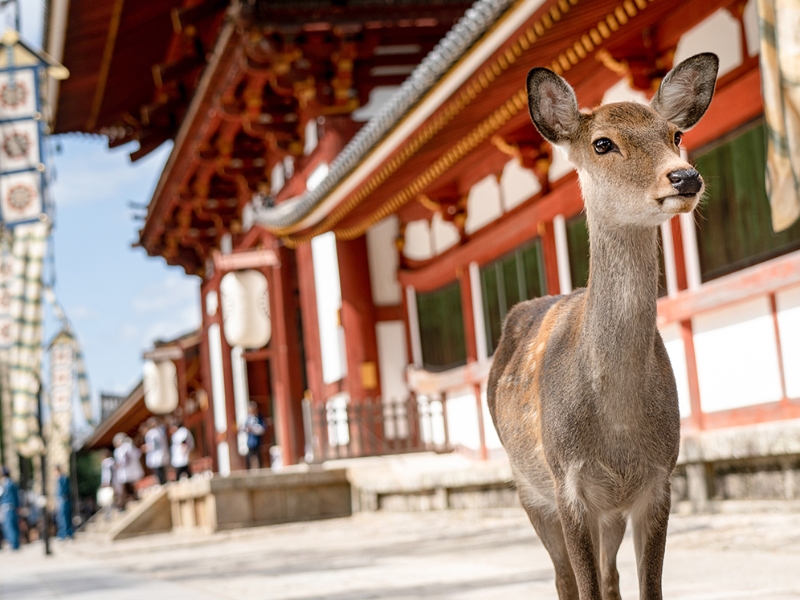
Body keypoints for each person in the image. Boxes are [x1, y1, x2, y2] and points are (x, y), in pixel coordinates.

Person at [113, 433, 144, 509]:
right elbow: (138, 454)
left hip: (125, 473)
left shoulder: (123, 448)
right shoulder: (129, 446)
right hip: (129, 472)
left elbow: (125, 460)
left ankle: (121, 504)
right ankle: (135, 498)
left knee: (123, 489)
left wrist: (119, 464)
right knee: (130, 488)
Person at [141, 418, 170, 485]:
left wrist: (146, 447)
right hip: (161, 454)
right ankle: (164, 482)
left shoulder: (152, 433)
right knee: (162, 470)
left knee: (159, 471)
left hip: (157, 455)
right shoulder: (160, 431)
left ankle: (162, 483)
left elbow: (154, 445)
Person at [0, 467, 20, 551]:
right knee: (13, 525)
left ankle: (14, 544)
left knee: (9, 526)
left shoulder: (5, 484)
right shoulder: (12, 483)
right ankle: (15, 543)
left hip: (8, 507)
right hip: (12, 507)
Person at [241, 402, 266, 470]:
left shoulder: (259, 418)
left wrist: (253, 429)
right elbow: (244, 428)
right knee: (249, 456)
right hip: (250, 441)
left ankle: (260, 469)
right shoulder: (248, 419)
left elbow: (262, 429)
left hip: (257, 440)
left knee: (258, 455)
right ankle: (249, 470)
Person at [54, 465, 73, 540]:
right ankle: (63, 534)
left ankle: (66, 534)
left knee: (65, 518)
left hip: (64, 500)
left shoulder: (63, 479)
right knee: (61, 518)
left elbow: (64, 491)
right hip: (61, 500)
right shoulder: (59, 479)